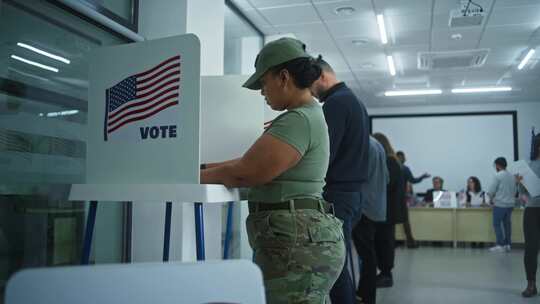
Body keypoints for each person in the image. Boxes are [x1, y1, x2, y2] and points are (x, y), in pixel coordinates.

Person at [200, 38, 345, 303]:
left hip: (296, 245)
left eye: (263, 82)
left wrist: (190, 176)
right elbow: (249, 162)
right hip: (301, 240)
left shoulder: (298, 119)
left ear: (283, 77)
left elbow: (245, 172)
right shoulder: (305, 115)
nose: (262, 92)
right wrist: (203, 167)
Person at [310, 58, 370, 303]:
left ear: (324, 77)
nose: (312, 93)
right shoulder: (355, 102)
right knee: (339, 262)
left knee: (333, 267)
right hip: (352, 195)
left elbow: (325, 154)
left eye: (312, 86)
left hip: (337, 196)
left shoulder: (335, 104)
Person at [352, 136, 388, 304]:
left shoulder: (363, 145)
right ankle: (365, 294)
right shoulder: (377, 145)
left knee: (366, 256)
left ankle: (365, 296)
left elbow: (356, 176)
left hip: (363, 208)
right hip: (374, 207)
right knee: (368, 254)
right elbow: (386, 178)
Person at [372, 133, 406, 289]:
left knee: (385, 243)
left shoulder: (390, 162)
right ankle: (384, 273)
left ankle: (386, 274)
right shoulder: (393, 161)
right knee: (384, 242)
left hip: (388, 211)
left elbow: (386, 184)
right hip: (387, 210)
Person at [519, 134, 540, 297]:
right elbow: (523, 194)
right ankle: (531, 284)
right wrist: (519, 183)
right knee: (531, 248)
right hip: (533, 210)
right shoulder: (529, 166)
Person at [395, 151, 427, 249]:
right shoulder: (405, 169)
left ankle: (390, 242)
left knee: (390, 221)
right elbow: (413, 180)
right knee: (405, 221)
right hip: (401, 198)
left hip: (390, 198)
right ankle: (410, 242)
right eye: (403, 157)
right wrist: (422, 177)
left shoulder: (390, 168)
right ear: (402, 158)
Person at [487, 157, 517, 253]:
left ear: (498, 165)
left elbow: (492, 190)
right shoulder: (512, 176)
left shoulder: (498, 175)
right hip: (510, 205)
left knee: (496, 224)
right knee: (507, 224)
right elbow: (515, 191)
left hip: (500, 204)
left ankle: (500, 244)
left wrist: (490, 199)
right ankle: (508, 244)